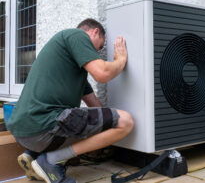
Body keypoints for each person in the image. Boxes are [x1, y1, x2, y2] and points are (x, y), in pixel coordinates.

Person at [7, 18, 134, 183]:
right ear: (94, 32)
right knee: (125, 121)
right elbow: (102, 74)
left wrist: (105, 136)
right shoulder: (76, 35)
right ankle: (51, 161)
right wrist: (121, 60)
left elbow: (96, 106)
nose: (98, 51)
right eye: (100, 46)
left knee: (92, 122)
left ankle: (33, 155)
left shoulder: (74, 71)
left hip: (25, 131)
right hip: (44, 126)